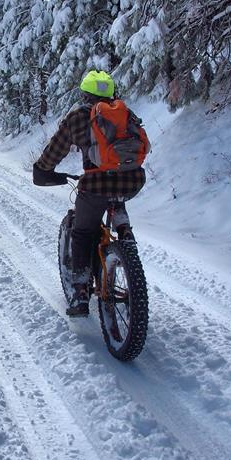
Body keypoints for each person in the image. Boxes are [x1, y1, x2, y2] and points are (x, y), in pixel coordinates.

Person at [33, 70, 147, 317]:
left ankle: (81, 294)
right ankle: (124, 233)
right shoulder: (124, 114)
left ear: (85, 94)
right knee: (116, 197)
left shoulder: (78, 118)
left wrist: (43, 171)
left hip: (95, 186)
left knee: (83, 233)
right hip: (132, 181)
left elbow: (54, 151)